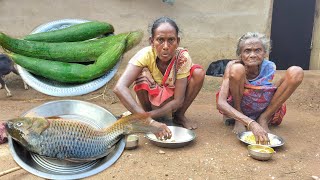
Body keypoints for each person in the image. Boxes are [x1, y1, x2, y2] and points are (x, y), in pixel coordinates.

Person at [113, 17, 205, 139]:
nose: (166, 46)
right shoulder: (145, 55)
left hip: (173, 101)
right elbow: (119, 88)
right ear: (152, 41)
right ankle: (148, 120)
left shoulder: (182, 58)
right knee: (141, 73)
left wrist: (146, 116)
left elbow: (178, 100)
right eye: (160, 40)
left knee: (198, 73)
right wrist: (150, 121)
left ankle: (179, 116)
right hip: (150, 100)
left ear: (178, 41)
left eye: (171, 40)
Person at [216, 32, 304, 144]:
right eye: (247, 51)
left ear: (265, 53)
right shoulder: (233, 67)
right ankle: (240, 117)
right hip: (240, 105)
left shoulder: (269, 67)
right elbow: (221, 103)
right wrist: (250, 123)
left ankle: (264, 118)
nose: (252, 55)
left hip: (262, 106)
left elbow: (271, 90)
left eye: (257, 50)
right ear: (240, 55)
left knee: (296, 71)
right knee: (237, 69)